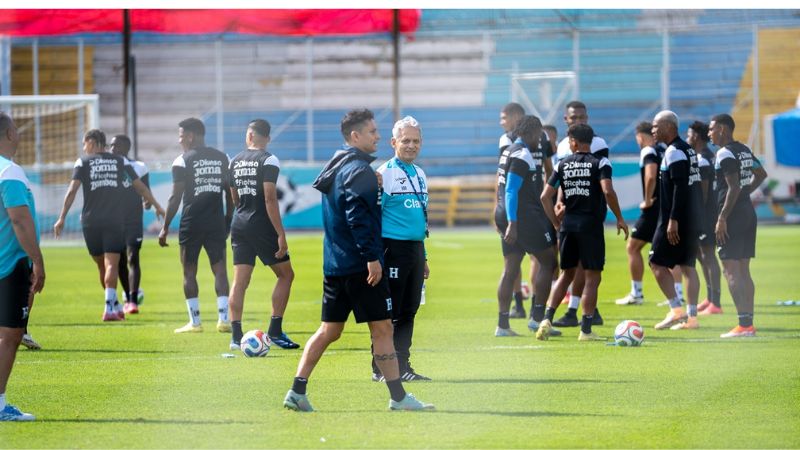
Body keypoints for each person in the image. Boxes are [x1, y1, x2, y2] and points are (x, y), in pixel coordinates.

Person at [283, 109, 433, 412]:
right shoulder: (361, 171)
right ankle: (399, 397)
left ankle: (297, 390)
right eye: (373, 132)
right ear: (355, 136)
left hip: (334, 264)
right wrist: (371, 258)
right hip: (360, 267)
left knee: (330, 330)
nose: (377, 137)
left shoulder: (336, 165)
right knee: (383, 329)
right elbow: (357, 217)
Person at [54, 129, 164, 321]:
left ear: (92, 142)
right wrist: (157, 206)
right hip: (114, 220)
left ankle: (111, 305)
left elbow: (72, 191)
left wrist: (62, 217)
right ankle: (111, 306)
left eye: (84, 143)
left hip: (90, 221)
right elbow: (139, 186)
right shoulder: (119, 161)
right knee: (111, 264)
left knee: (101, 265)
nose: (83, 147)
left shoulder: (83, 162)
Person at [537, 123, 628, 341]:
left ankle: (546, 319)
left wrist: (557, 224)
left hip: (568, 226)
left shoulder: (562, 164)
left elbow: (544, 197)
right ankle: (586, 330)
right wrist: (620, 218)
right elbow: (608, 191)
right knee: (592, 277)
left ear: (574, 142)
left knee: (566, 274)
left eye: (569, 140)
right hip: (590, 226)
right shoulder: (601, 162)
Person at [227, 119, 299, 350]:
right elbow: (270, 198)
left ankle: (236, 337)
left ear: (249, 136)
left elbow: (234, 196)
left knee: (240, 281)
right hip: (261, 223)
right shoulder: (269, 159)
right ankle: (275, 331)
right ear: (267, 138)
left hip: (239, 223)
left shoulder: (234, 160)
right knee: (286, 275)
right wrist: (280, 234)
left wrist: (243, 211)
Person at [159, 118, 233, 334]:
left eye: (181, 136)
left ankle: (195, 323)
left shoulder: (182, 160)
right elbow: (229, 192)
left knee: (189, 272)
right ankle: (224, 321)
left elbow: (175, 197)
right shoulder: (223, 158)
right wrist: (228, 219)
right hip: (215, 222)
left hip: (191, 223)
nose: (179, 140)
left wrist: (165, 227)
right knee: (220, 270)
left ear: (191, 136)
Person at [371, 115, 431, 382]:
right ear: (394, 142)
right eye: (405, 140)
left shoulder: (419, 174)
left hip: (415, 250)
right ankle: (379, 368)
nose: (411, 145)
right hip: (392, 249)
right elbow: (374, 218)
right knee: (390, 312)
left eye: (416, 141)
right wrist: (375, 256)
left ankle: (403, 366)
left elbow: (422, 217)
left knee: (410, 310)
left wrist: (424, 256)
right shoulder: (385, 174)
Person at [493, 115, 559, 337]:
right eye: (539, 135)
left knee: (511, 267)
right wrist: (513, 222)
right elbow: (511, 190)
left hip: (505, 213)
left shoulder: (508, 151)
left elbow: (502, 188)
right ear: (532, 132)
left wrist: (502, 216)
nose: (540, 139)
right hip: (522, 217)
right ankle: (537, 319)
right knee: (548, 261)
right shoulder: (522, 154)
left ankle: (502, 326)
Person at [0, 112, 44, 421]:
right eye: (15, 128)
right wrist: (38, 260)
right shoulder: (10, 172)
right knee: (9, 336)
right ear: (8, 134)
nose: (19, 133)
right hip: (9, 264)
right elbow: (19, 219)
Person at [708, 114, 767, 338]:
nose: (709, 133)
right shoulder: (743, 149)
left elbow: (732, 188)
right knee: (743, 269)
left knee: (731, 270)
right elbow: (761, 174)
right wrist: (745, 195)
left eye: (712, 129)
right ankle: (748, 324)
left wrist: (722, 217)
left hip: (732, 216)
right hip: (746, 212)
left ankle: (743, 325)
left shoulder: (724, 153)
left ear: (722, 129)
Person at [552, 101, 608, 328]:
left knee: (585, 266)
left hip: (589, 211)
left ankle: (577, 310)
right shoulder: (562, 147)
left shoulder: (598, 143)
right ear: (566, 119)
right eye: (574, 118)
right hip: (570, 210)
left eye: (582, 118)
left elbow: (599, 180)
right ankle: (586, 311)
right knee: (573, 265)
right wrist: (559, 201)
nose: (579, 121)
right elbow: (562, 179)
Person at [648, 110, 703, 331]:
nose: (652, 130)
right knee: (688, 266)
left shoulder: (674, 151)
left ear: (669, 127)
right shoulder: (687, 150)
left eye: (655, 126)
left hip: (676, 218)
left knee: (655, 262)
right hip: (691, 217)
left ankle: (676, 310)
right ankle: (692, 318)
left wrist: (673, 219)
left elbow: (680, 188)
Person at [615, 122, 665, 305]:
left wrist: (648, 198)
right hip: (665, 206)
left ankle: (636, 293)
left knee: (632, 247)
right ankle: (679, 294)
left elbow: (651, 175)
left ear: (641, 136)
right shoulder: (663, 149)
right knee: (667, 251)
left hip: (653, 208)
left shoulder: (648, 151)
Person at [110, 135, 150, 314]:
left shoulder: (139, 167)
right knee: (119, 261)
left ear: (126, 147)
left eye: (116, 145)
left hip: (134, 220)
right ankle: (127, 295)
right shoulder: (109, 168)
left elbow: (146, 192)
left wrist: (148, 203)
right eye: (110, 146)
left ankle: (133, 301)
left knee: (133, 257)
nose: (112, 149)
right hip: (114, 220)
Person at [497, 102, 531, 318]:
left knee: (535, 259)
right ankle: (522, 305)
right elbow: (504, 176)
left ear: (516, 116)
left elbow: (548, 166)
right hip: (517, 207)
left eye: (503, 117)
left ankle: (535, 307)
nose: (501, 122)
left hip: (530, 206)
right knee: (515, 261)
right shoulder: (507, 141)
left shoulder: (539, 137)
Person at [686, 121, 723, 315]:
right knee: (703, 256)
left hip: (706, 216)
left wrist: (696, 215)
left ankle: (715, 303)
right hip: (709, 215)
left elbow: (704, 193)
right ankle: (710, 299)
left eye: (689, 134)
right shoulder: (708, 156)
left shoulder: (702, 159)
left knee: (708, 256)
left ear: (697, 137)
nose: (687, 137)